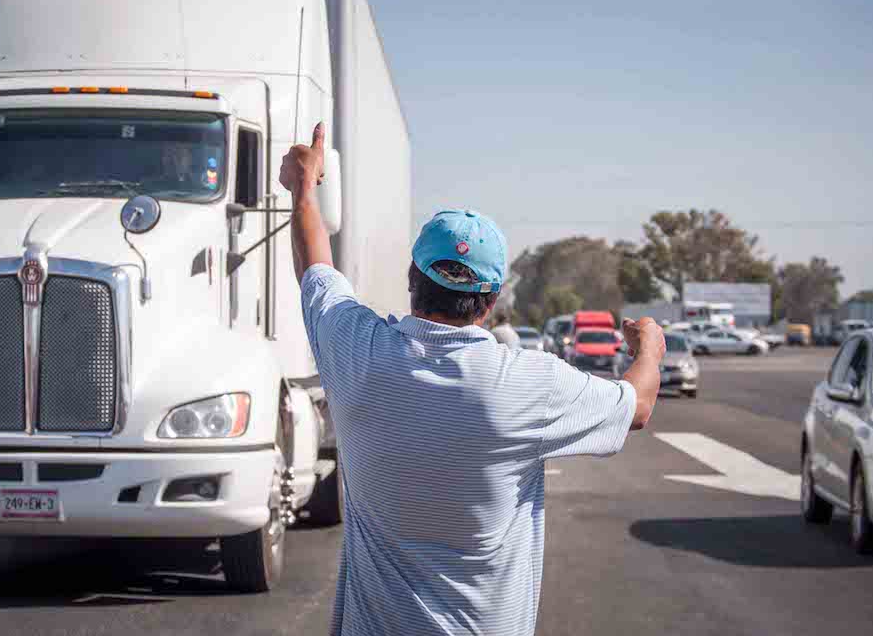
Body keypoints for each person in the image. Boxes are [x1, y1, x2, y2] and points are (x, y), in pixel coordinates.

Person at [279, 124, 666, 636]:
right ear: (493, 299)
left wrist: (306, 187)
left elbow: (315, 265)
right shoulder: (528, 383)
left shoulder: (358, 349)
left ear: (412, 279)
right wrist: (652, 346)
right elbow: (637, 406)